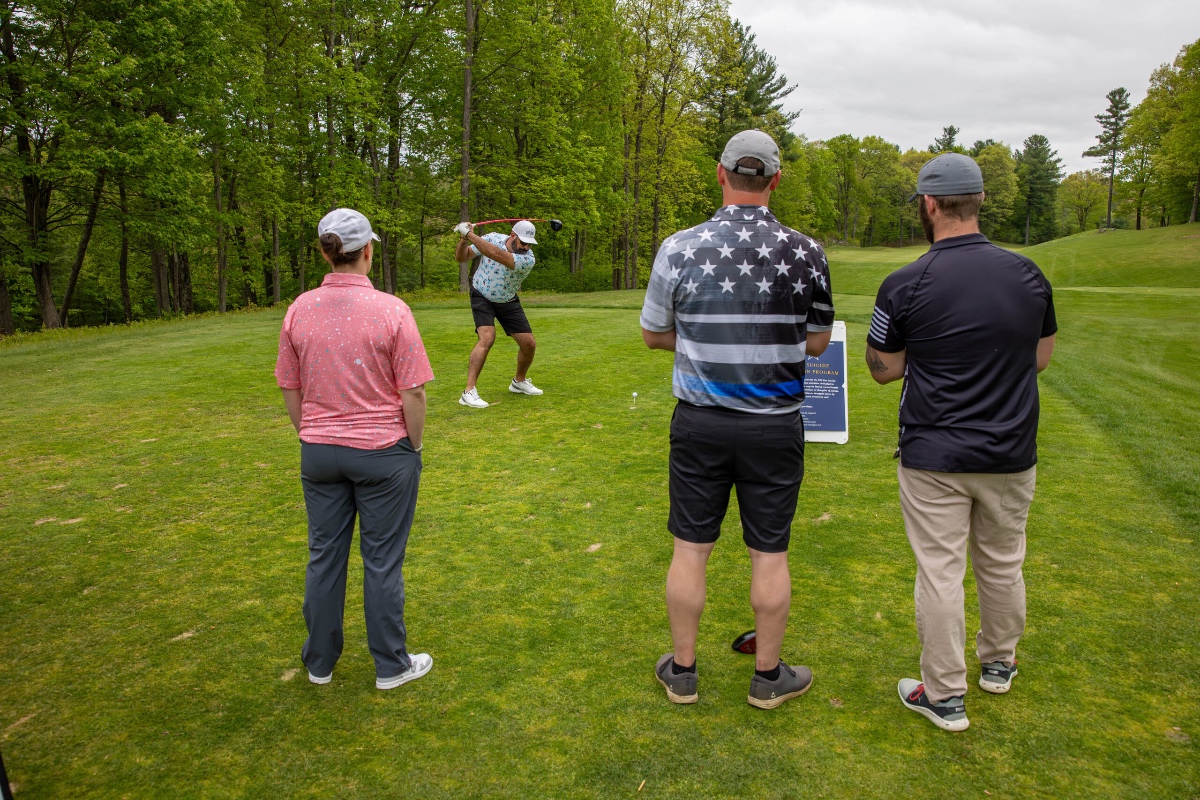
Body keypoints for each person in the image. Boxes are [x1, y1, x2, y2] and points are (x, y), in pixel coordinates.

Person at [640, 129, 834, 709]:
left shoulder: (679, 246)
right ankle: (768, 678)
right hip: (775, 425)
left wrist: (701, 337)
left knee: (690, 548)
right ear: (776, 180)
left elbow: (653, 333)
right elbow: (819, 341)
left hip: (700, 422)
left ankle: (682, 671)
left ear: (720, 174)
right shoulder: (807, 252)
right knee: (769, 551)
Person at [864, 153, 1057, 731]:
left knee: (941, 572)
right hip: (1009, 449)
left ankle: (945, 695)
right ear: (978, 203)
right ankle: (999, 664)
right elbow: (1040, 359)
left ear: (928, 204)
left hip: (934, 454)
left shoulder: (905, 281)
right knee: (1002, 561)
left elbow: (883, 369)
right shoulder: (1028, 274)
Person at [275, 208, 435, 691]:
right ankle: (391, 665)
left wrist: (313, 433)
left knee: (324, 556)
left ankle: (319, 663)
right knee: (382, 559)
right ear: (367, 250)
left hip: (319, 451)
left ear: (325, 251)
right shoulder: (392, 309)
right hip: (384, 452)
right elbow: (414, 392)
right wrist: (414, 443)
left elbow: (289, 385)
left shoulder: (300, 307)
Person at [454, 220, 543, 408]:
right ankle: (468, 392)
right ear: (512, 236)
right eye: (523, 242)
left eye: (529, 244)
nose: (525, 247)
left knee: (529, 344)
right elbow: (462, 258)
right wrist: (463, 240)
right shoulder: (493, 238)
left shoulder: (528, 259)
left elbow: (495, 254)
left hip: (507, 299)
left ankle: (519, 382)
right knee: (487, 338)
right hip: (482, 294)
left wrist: (469, 234)